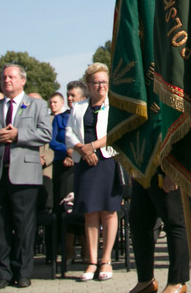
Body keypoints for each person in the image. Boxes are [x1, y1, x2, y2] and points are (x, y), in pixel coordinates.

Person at [0, 64, 51, 290]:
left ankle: (23, 272)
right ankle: (2, 274)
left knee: (24, 226)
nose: (7, 80)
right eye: (4, 77)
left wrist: (18, 135)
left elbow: (45, 133)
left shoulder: (37, 105)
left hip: (24, 174)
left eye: (12, 77)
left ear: (22, 80)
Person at [66, 63, 124, 282]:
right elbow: (70, 133)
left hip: (107, 160)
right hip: (84, 163)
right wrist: (83, 149)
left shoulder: (115, 105)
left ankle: (106, 259)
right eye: (96, 82)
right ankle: (91, 260)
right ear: (88, 85)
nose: (100, 86)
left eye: (104, 82)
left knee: (109, 211)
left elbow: (116, 132)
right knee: (90, 212)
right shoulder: (78, 107)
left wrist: (94, 147)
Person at [126, 170, 189, 293]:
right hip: (144, 168)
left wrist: (173, 171)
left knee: (173, 221)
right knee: (138, 221)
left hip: (167, 165)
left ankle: (177, 281)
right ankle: (146, 280)